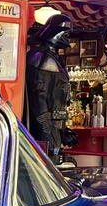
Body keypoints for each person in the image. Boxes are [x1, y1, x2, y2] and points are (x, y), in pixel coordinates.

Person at [25, 13, 72, 163]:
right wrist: (46, 138)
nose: (68, 37)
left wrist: (63, 130)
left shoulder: (51, 58)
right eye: (66, 32)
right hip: (44, 132)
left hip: (52, 129)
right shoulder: (42, 58)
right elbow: (38, 102)